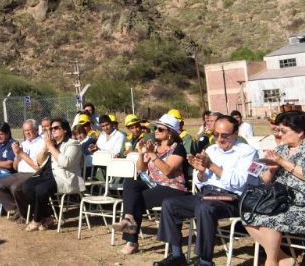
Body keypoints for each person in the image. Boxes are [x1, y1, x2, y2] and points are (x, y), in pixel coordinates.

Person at [154, 115, 258, 266]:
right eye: (216, 134)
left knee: (205, 208)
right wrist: (201, 172)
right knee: (170, 204)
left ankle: (205, 261)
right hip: (206, 194)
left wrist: (211, 166)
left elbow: (239, 182)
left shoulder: (247, 152)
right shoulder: (212, 149)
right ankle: (176, 255)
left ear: (236, 134)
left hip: (231, 199)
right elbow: (202, 182)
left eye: (225, 135)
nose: (220, 139)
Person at [113, 113, 189, 255]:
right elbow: (141, 169)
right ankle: (129, 217)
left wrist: (152, 155)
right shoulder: (153, 146)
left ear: (170, 133)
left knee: (136, 200)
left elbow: (168, 171)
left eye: (160, 129)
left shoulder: (178, 148)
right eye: (156, 128)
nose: (156, 131)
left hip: (173, 186)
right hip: (155, 183)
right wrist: (142, 154)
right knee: (131, 182)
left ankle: (131, 241)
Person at [244, 111, 305, 266]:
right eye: (277, 130)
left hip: (299, 205)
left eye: (283, 131)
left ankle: (271, 261)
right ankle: (284, 258)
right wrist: (271, 168)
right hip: (277, 201)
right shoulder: (282, 149)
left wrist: (283, 163)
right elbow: (264, 179)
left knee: (270, 221)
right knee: (246, 217)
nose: (279, 135)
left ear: (300, 132)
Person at [23, 118, 84, 232]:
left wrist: (51, 147)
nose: (53, 130)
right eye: (51, 128)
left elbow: (65, 163)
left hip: (63, 178)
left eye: (56, 128)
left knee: (41, 189)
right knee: (27, 186)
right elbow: (39, 162)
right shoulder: (52, 144)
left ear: (65, 130)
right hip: (47, 175)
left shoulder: (73, 144)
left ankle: (36, 220)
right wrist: (46, 148)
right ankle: (47, 217)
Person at [0, 119, 46, 223]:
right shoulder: (24, 143)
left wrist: (21, 153)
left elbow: (37, 166)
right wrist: (17, 155)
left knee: (15, 187)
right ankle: (18, 208)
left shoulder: (42, 143)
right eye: (25, 130)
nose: (27, 133)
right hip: (20, 173)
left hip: (33, 173)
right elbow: (15, 166)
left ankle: (25, 215)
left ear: (36, 130)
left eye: (29, 130)